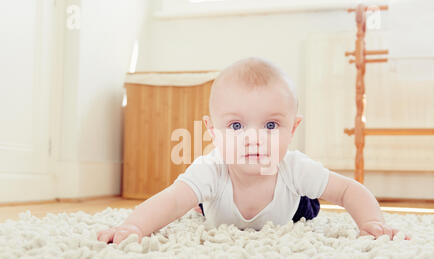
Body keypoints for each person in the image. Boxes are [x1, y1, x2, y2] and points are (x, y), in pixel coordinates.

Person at [97, 57, 410, 245]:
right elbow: (170, 201)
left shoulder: (294, 168)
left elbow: (347, 191)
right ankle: (203, 205)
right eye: (236, 126)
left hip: (289, 207)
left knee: (309, 207)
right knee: (194, 201)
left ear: (293, 129)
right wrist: (133, 227)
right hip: (218, 202)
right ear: (212, 131)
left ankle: (303, 200)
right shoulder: (211, 168)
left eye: (271, 126)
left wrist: (371, 222)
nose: (254, 139)